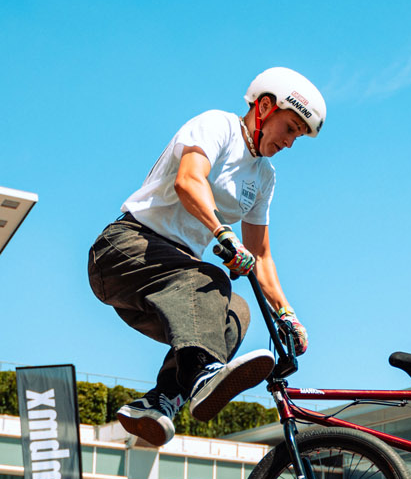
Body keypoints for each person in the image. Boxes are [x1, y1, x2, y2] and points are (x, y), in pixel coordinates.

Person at [88, 68, 326, 447]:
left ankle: (160, 401)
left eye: (297, 136)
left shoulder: (264, 177)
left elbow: (261, 255)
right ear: (265, 106)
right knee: (210, 279)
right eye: (290, 128)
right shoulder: (219, 126)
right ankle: (203, 374)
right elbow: (189, 180)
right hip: (125, 251)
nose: (289, 142)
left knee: (236, 312)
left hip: (168, 284)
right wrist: (222, 232)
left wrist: (287, 314)